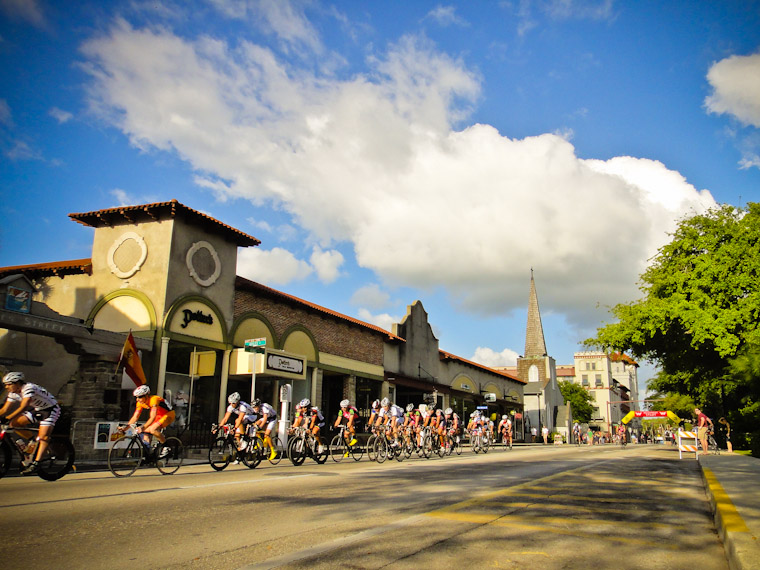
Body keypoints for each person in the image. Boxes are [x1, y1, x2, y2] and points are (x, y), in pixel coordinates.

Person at [0, 371, 62, 475]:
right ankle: (32, 440)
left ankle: (36, 464)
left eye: (9, 384)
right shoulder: (13, 393)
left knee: (43, 437)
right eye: (5, 384)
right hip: (38, 409)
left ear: (17, 383)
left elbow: (24, 406)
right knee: (14, 424)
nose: (6, 387)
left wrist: (8, 417)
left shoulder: (29, 388)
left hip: (50, 409)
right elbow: (5, 409)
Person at [120, 384, 175, 455]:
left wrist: (143, 427)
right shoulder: (140, 403)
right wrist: (126, 428)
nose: (137, 399)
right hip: (158, 416)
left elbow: (152, 417)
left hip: (168, 415)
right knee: (145, 433)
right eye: (136, 397)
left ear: (146, 396)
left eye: (139, 397)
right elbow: (135, 417)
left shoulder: (154, 400)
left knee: (152, 429)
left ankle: (166, 446)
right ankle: (147, 456)